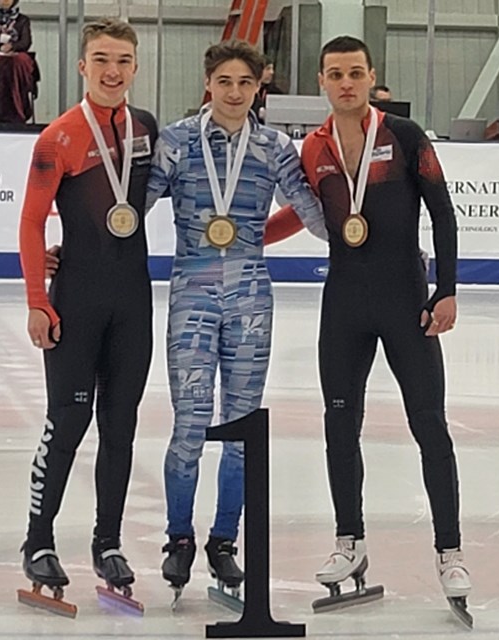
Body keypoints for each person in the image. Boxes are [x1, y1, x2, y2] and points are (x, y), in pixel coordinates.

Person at [265, 35, 472, 612]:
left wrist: (447, 291)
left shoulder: (403, 137)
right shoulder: (314, 147)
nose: (346, 83)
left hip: (407, 302)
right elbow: (301, 213)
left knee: (430, 425)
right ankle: (348, 541)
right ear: (323, 82)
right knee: (338, 425)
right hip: (345, 305)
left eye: (355, 72)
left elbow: (443, 211)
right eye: (335, 74)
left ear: (371, 76)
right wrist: (243, 240)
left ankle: (449, 551)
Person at [146, 39, 327, 600]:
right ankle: (179, 538)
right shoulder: (175, 141)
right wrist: (72, 249)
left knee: (244, 428)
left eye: (244, 83)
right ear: (209, 83)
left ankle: (224, 540)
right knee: (191, 425)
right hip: (192, 296)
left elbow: (314, 212)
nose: (234, 92)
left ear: (258, 86)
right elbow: (128, 209)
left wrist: (369, 244)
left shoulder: (274, 147)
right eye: (224, 82)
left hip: (251, 299)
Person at [17, 17, 158, 604]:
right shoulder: (58, 137)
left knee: (120, 429)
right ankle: (39, 540)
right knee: (68, 422)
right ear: (82, 66)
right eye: (101, 59)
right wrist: (37, 301)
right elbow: (30, 221)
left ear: (134, 67)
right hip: (76, 302)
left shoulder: (147, 129)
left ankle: (108, 541)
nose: (112, 71)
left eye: (123, 60)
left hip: (133, 304)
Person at [250, 55, 283, 124]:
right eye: (268, 69)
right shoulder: (249, 89)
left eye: (272, 69)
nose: (272, 72)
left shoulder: (275, 92)